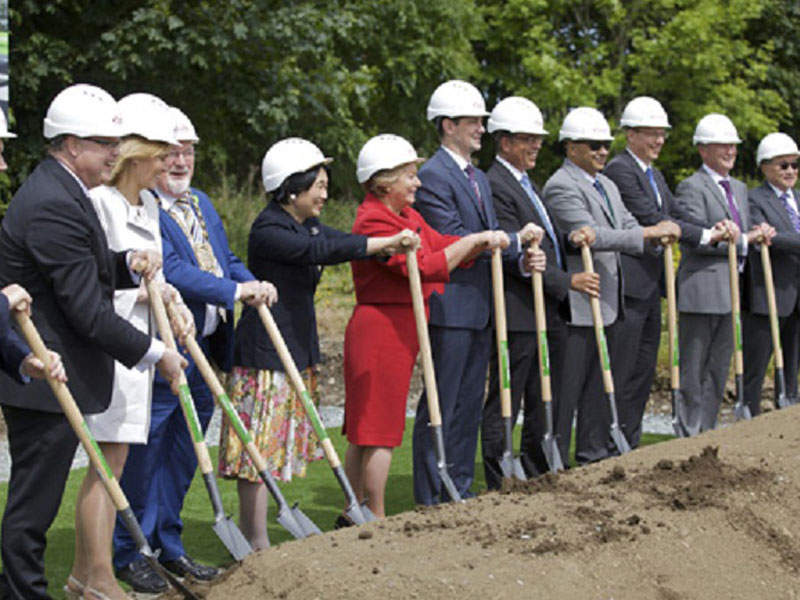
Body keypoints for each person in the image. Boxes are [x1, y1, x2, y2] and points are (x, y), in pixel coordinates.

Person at [0, 84, 185, 600]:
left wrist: (124, 263)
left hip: (52, 370)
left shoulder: (64, 191)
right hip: (43, 373)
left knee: (37, 501)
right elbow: (85, 309)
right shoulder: (52, 201)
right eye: (105, 142)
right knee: (33, 506)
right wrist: (158, 354)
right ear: (72, 144)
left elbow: (84, 268)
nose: (114, 152)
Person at [113, 106, 271, 592]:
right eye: (173, 152)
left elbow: (224, 259)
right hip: (165, 343)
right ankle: (132, 550)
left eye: (189, 152)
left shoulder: (199, 201)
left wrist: (249, 282)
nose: (181, 161)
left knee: (186, 450)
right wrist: (232, 291)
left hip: (203, 344)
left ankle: (168, 543)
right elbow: (174, 271)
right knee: (149, 449)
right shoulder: (144, 206)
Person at [223, 137, 410, 542]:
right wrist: (384, 242)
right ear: (292, 188)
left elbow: (333, 240)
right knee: (258, 449)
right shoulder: (270, 229)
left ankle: (260, 533)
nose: (325, 195)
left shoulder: (304, 224)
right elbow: (323, 250)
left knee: (276, 446)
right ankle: (254, 537)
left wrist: (385, 246)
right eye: (318, 186)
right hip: (265, 353)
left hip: (296, 347)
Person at [343, 134, 535, 516]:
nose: (417, 182)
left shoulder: (405, 216)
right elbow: (427, 265)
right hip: (380, 328)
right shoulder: (375, 220)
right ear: (385, 182)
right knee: (376, 428)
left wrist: (487, 243)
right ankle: (370, 513)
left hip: (399, 326)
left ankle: (357, 508)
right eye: (409, 176)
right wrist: (476, 240)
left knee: (375, 425)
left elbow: (440, 243)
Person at [66, 93, 191, 600]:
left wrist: (170, 299)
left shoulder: (150, 205)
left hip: (141, 346)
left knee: (114, 463)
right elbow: (94, 285)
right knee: (107, 465)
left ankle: (84, 576)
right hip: (112, 349)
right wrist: (142, 291)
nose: (167, 165)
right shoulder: (101, 204)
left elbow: (153, 273)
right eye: (161, 155)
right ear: (138, 155)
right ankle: (97, 576)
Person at [411, 80, 540, 504]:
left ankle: (459, 488)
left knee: (468, 405)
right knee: (442, 404)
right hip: (450, 307)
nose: (482, 129)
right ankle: (431, 496)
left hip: (481, 307)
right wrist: (515, 239)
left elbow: (492, 240)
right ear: (448, 125)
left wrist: (520, 259)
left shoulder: (478, 178)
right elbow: (454, 238)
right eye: (473, 121)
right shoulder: (433, 176)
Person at [543, 106, 679, 464]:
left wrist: (655, 234)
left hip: (608, 300)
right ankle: (553, 463)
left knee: (601, 387)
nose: (603, 151)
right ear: (571, 146)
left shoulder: (607, 185)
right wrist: (649, 233)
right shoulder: (561, 185)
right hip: (578, 303)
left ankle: (593, 455)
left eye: (606, 144)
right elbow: (592, 234)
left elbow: (628, 223)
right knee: (569, 389)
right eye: (594, 145)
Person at [479, 97, 594, 486]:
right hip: (517, 309)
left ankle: (535, 467)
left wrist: (570, 238)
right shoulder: (496, 184)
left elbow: (545, 241)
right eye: (528, 139)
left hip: (546, 309)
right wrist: (567, 282)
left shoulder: (529, 183)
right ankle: (499, 473)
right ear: (505, 141)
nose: (536, 146)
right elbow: (516, 253)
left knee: (543, 395)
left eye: (538, 139)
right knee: (507, 399)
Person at [603, 97, 730, 445]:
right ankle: (611, 443)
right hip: (629, 287)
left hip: (651, 285)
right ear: (630, 134)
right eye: (651, 134)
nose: (659, 141)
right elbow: (651, 217)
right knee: (625, 370)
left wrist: (712, 229)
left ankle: (629, 444)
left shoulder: (654, 174)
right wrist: (704, 236)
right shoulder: (620, 170)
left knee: (642, 373)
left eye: (662, 134)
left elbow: (676, 213)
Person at [675, 113, 773, 435]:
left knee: (718, 369)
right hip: (701, 291)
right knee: (694, 368)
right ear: (703, 150)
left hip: (732, 291)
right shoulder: (691, 187)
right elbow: (696, 238)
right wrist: (743, 239)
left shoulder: (739, 188)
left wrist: (757, 232)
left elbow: (743, 233)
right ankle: (688, 432)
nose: (730, 151)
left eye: (733, 146)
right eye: (722, 146)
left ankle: (708, 430)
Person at [742, 132, 800, 415]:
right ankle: (749, 417)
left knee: (792, 366)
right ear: (765, 167)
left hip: (796, 296)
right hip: (768, 294)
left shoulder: (798, 199)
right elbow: (765, 237)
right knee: (756, 365)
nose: (791, 171)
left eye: (794, 165)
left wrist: (783, 238)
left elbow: (781, 237)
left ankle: (788, 417)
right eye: (783, 165)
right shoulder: (754, 200)